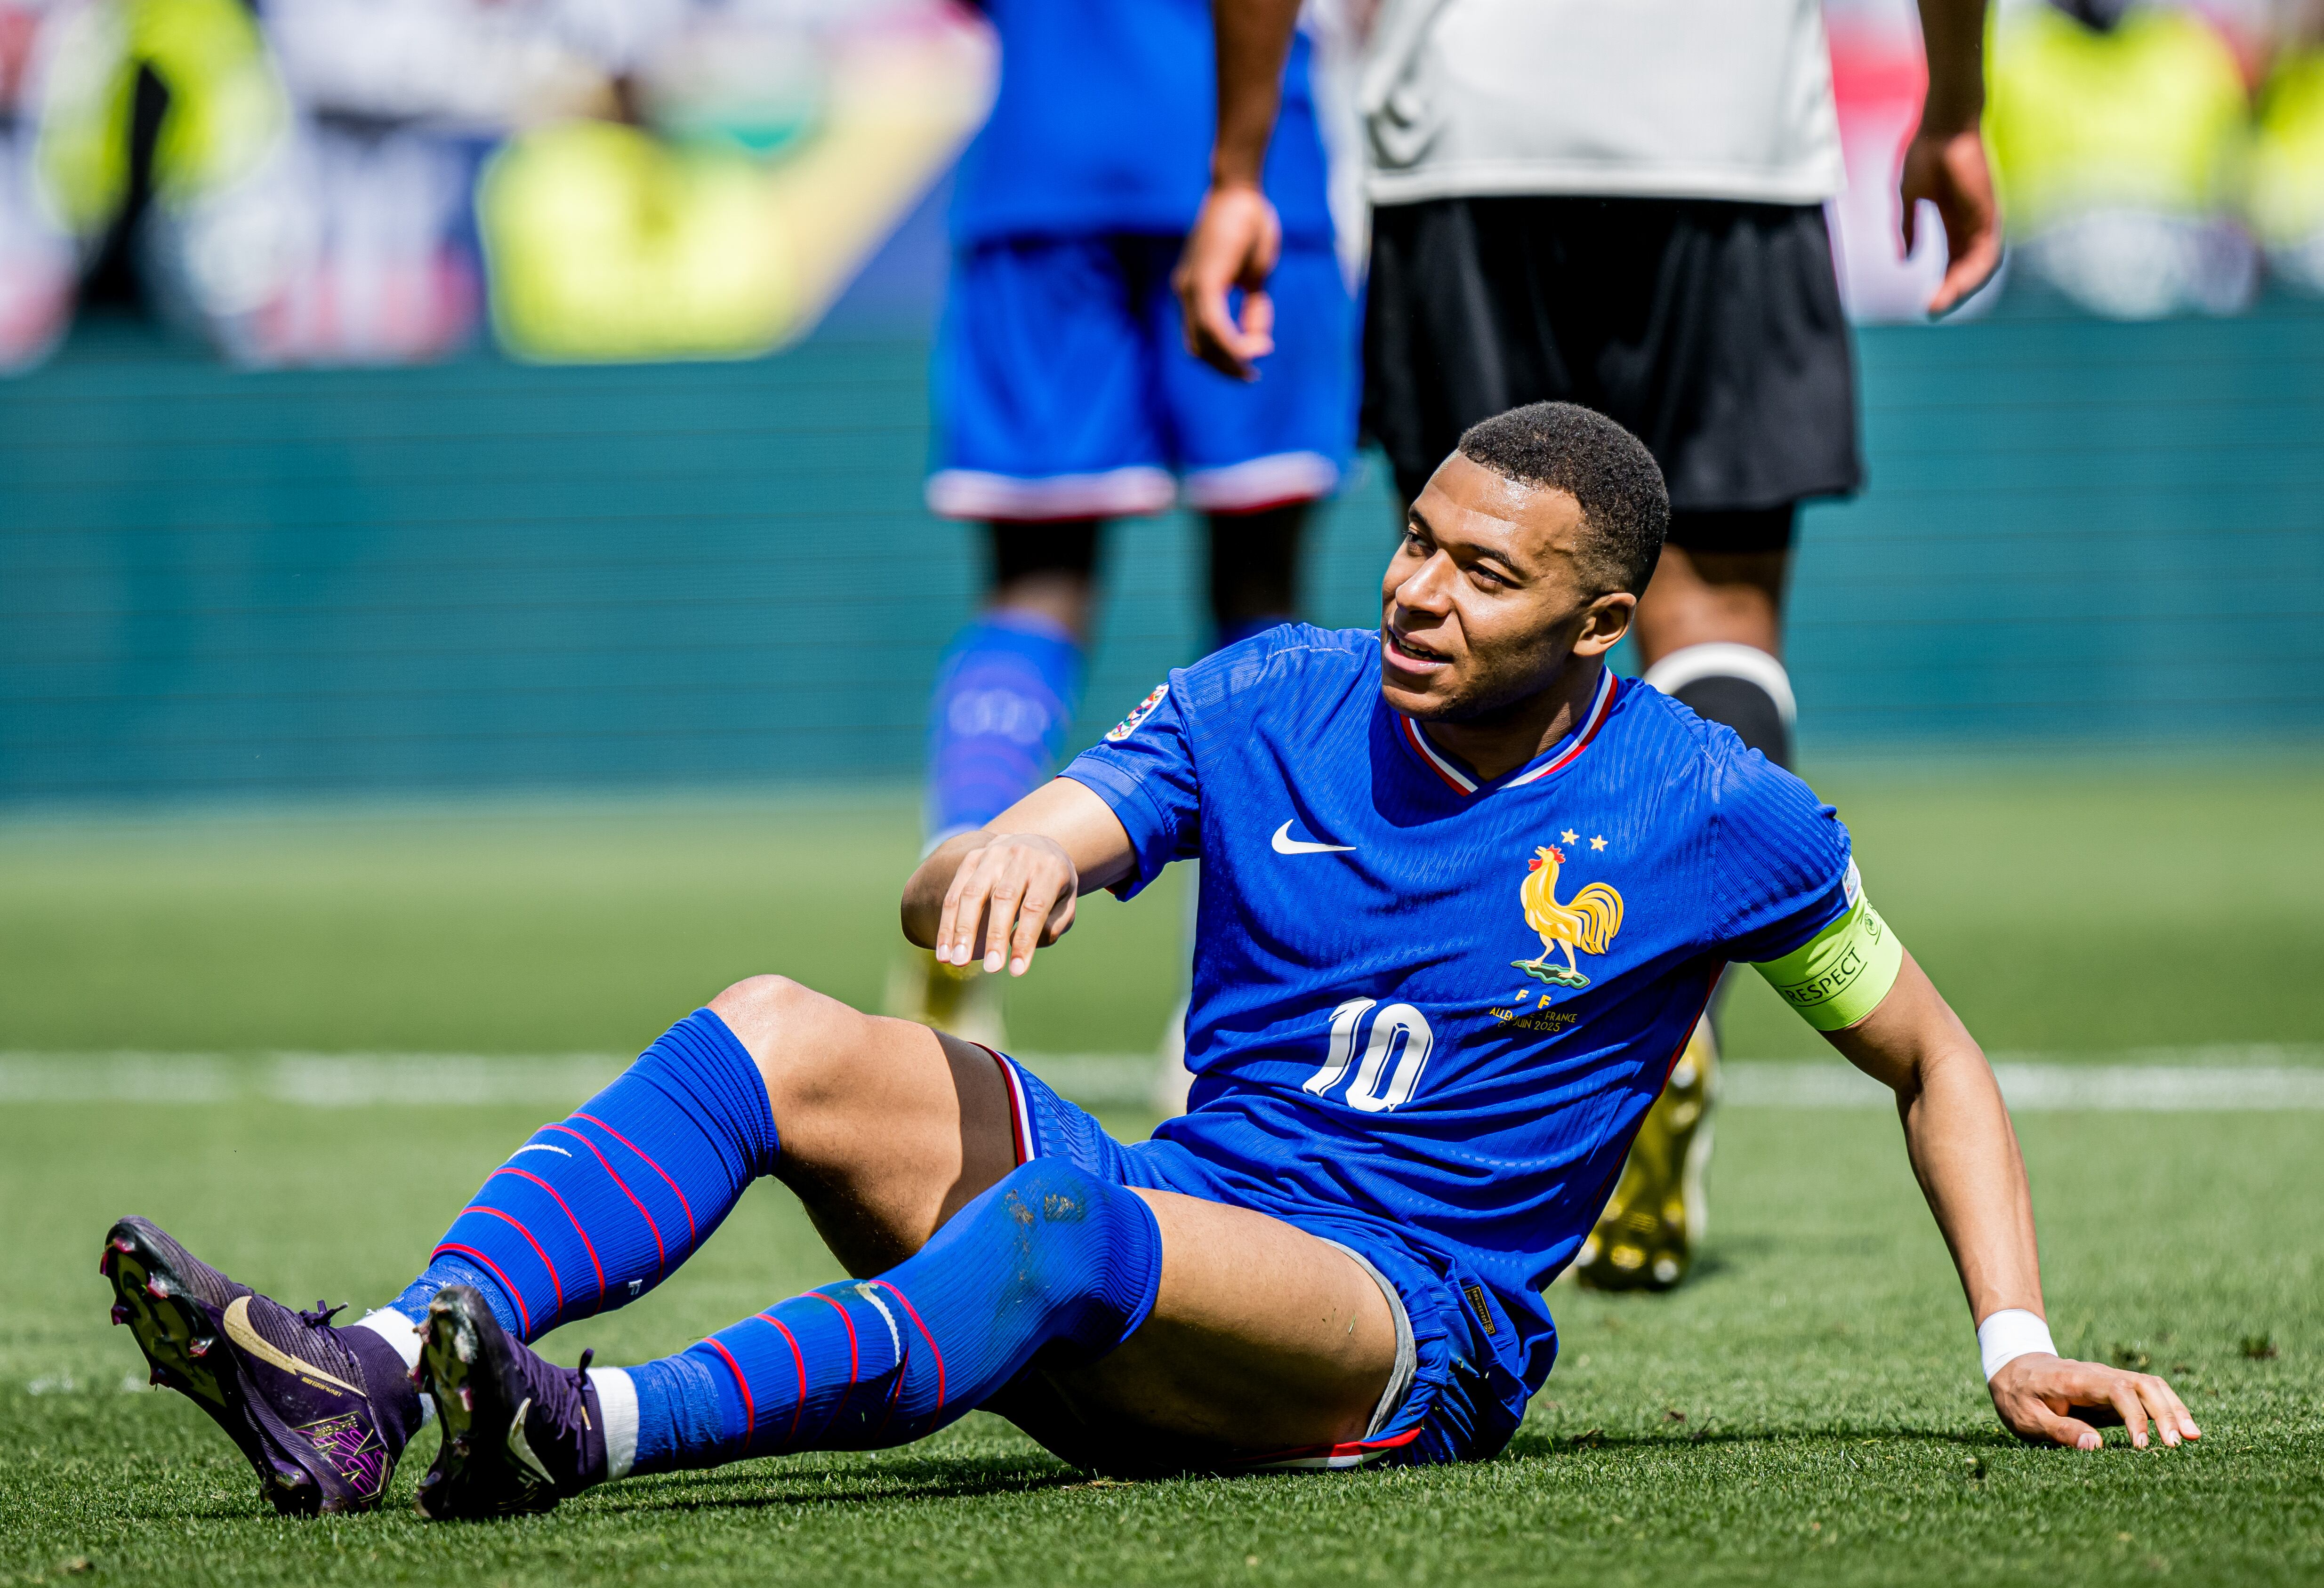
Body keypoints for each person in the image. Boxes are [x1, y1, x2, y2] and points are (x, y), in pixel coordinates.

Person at [101, 405, 2191, 1515]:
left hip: (1398, 1327)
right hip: (1178, 1214)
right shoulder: (1267, 691)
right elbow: (978, 883)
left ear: (1601, 623)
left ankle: (594, 1431)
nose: (1418, 589)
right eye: (1414, 536)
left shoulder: (1716, 810)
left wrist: (2009, 1343)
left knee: (1073, 1218)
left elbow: (1932, 1057)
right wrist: (993, 848)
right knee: (775, 1031)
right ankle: (372, 1374)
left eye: (1486, 569)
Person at [1173, 0, 2005, 1289]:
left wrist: (1238, 171)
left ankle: (1474, 1067)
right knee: (1716, 612)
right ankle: (1669, 1017)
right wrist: (1952, 109)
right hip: (1723, 131)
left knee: (1482, 554)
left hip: (1466, 127)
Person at [900, 0, 1355, 1043]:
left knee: (1033, 589)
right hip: (1248, 170)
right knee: (1261, 598)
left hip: (1046, 166)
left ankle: (962, 885)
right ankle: (1255, 974)